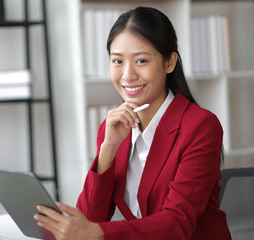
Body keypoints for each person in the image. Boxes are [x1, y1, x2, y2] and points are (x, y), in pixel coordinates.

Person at [34, 6, 231, 240]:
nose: (127, 75)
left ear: (169, 63)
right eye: (117, 61)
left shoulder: (200, 126)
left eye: (141, 60)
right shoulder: (113, 130)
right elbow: (89, 220)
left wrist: (94, 232)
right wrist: (108, 148)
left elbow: (178, 223)